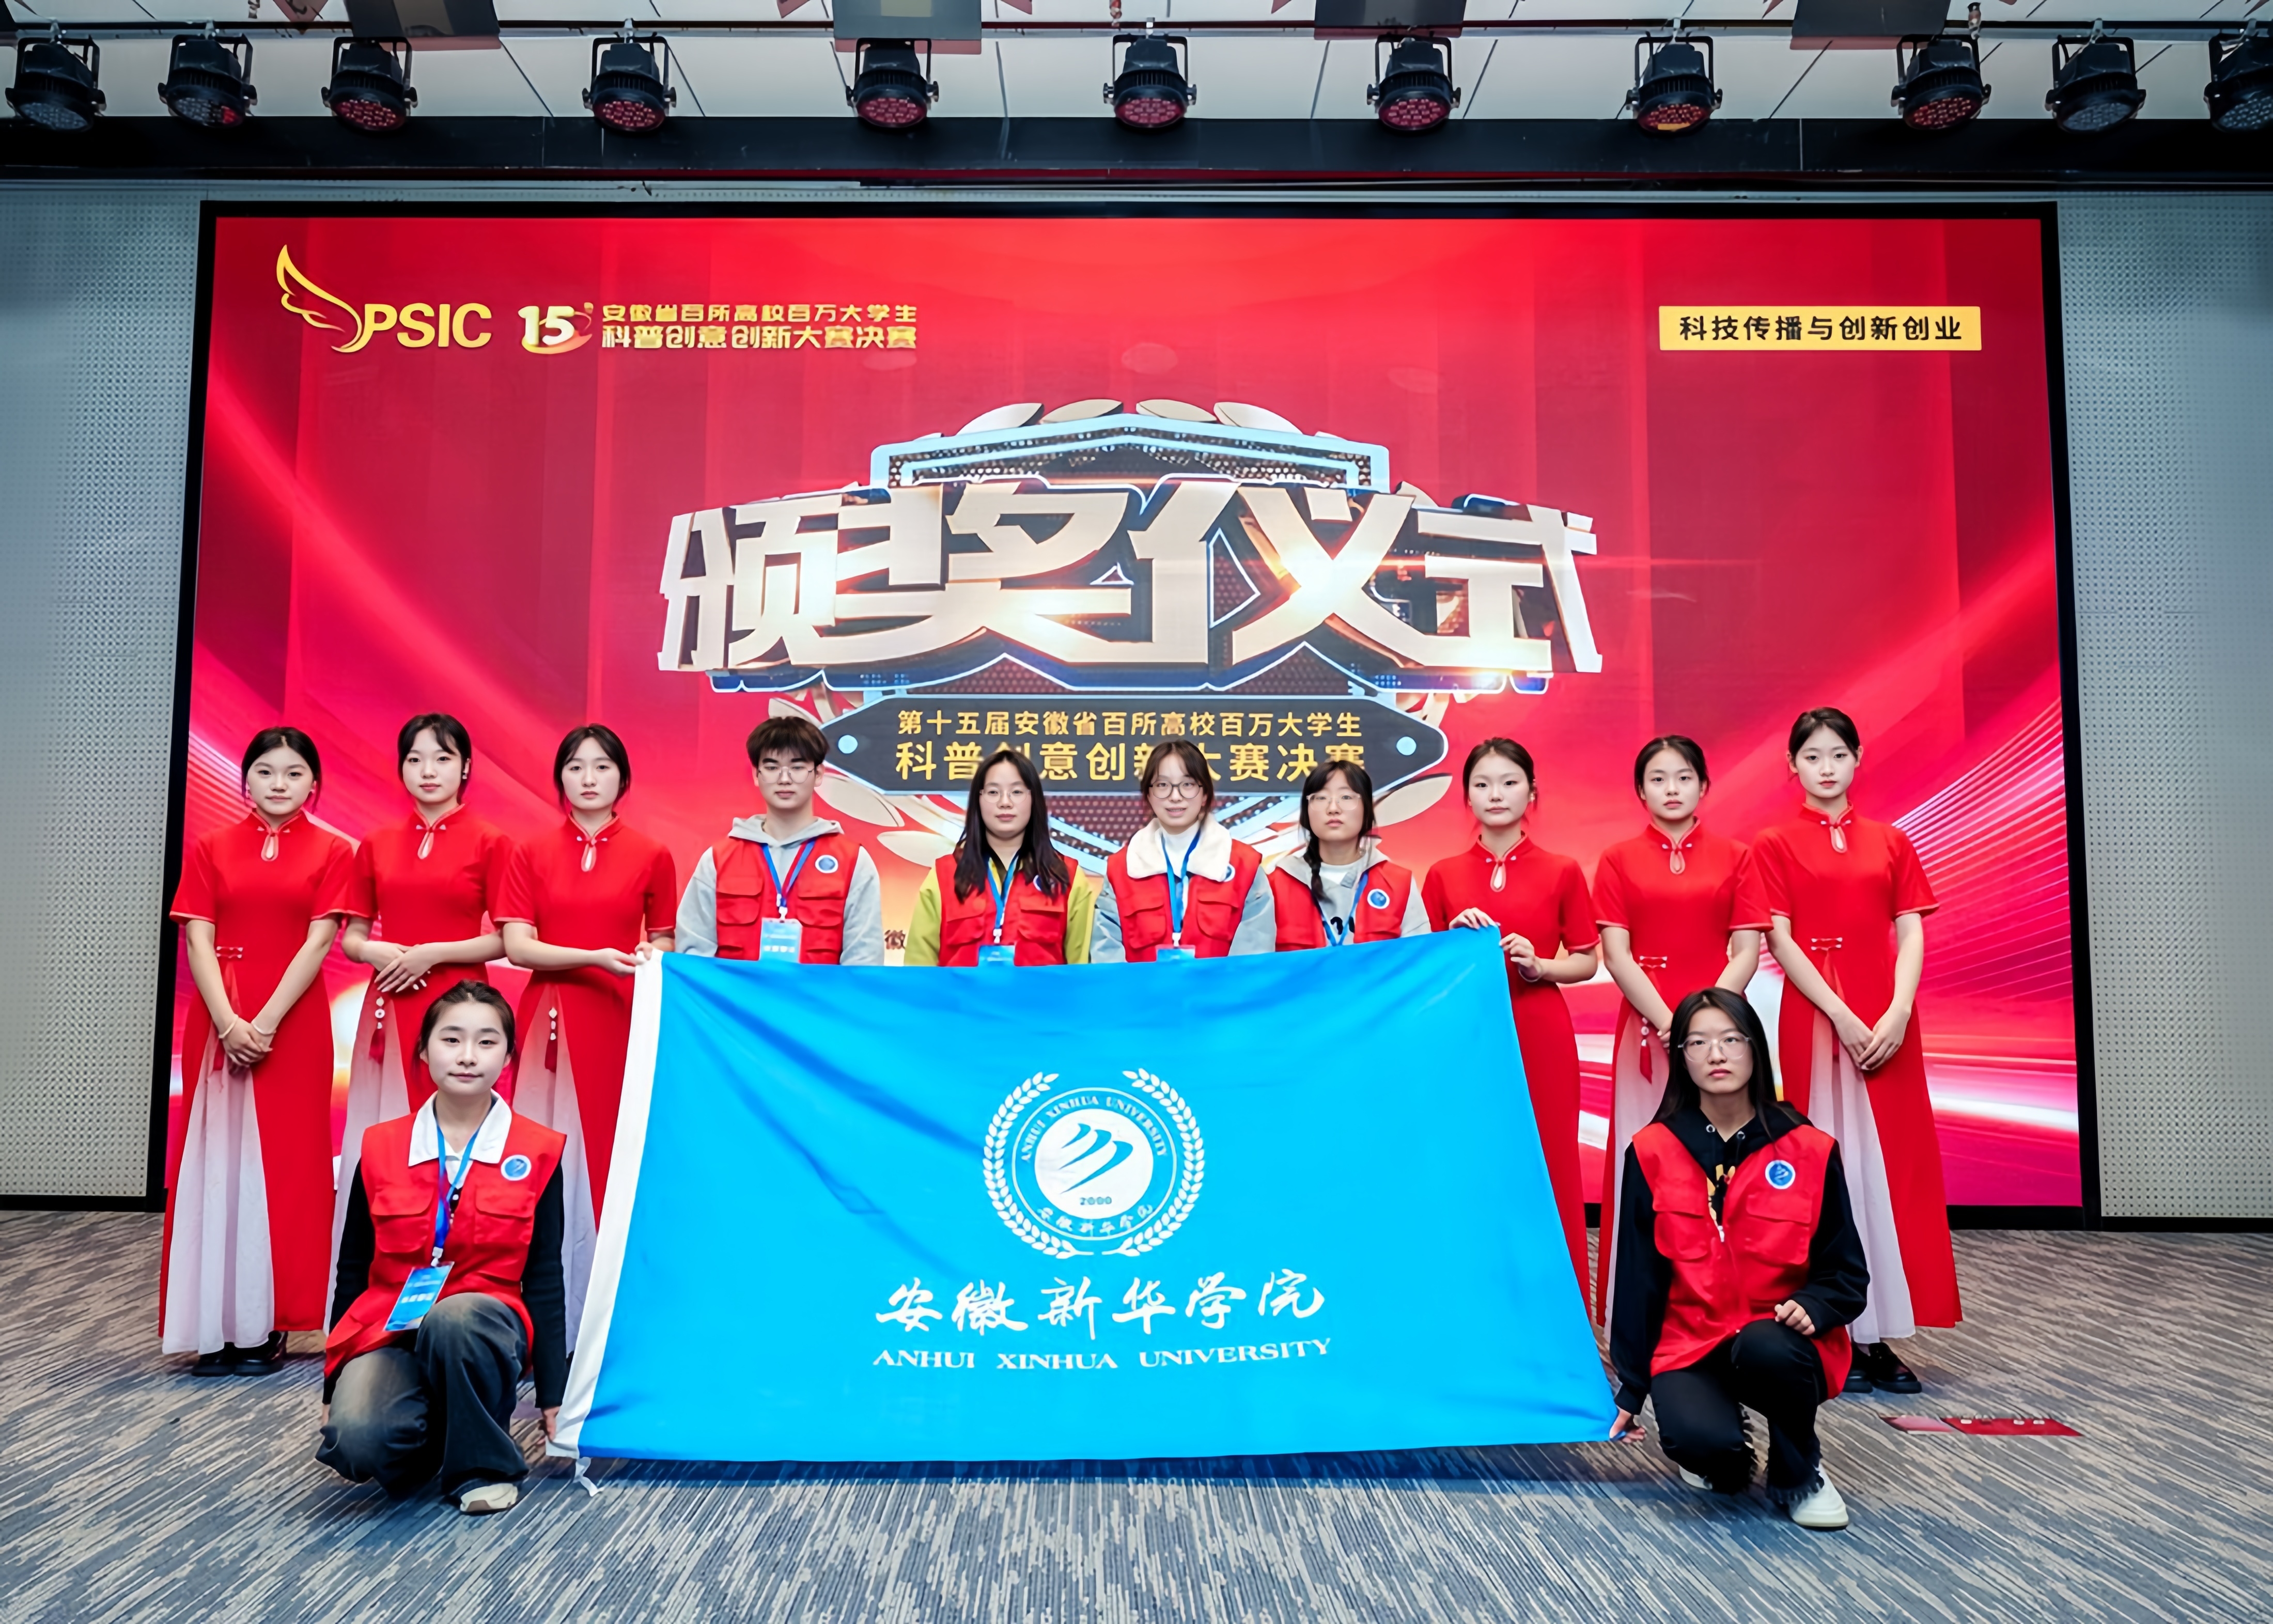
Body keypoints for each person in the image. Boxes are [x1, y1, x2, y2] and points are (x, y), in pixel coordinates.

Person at [1752, 706, 1958, 1395]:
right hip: (1816, 1015)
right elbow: (1779, 939)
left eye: (1837, 754)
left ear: (1857, 758)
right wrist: (1838, 1014)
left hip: (1887, 1014)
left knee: (1886, 1169)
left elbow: (1911, 930)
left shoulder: (1891, 841)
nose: (1826, 768)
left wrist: (1897, 1011)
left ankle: (1878, 1335)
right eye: (1812, 757)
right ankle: (1825, 1326)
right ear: (1792, 766)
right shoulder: (1774, 843)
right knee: (1822, 1169)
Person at [1607, 988, 1867, 1532]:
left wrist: (1815, 1305)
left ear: (1755, 1050)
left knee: (1766, 1347)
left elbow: (1844, 1270)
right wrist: (1630, 1387)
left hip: (1778, 1338)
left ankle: (1801, 1470)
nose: (1716, 1055)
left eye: (1731, 1040)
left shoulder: (1808, 1148)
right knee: (1707, 1452)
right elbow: (1637, 1280)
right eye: (1698, 1043)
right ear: (1681, 1057)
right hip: (1690, 1340)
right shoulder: (1652, 1151)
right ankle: (1716, 1441)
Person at [319, 982, 566, 1518]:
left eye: (486, 1042)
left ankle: (483, 1466)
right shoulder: (380, 1147)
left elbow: (546, 1277)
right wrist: (332, 1386)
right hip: (392, 1324)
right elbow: (353, 1269)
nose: (467, 1056)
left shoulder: (538, 1151)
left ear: (508, 1057)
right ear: (424, 1051)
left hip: (483, 1324)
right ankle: (436, 1436)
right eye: (451, 1040)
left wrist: (554, 1394)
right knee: (357, 1440)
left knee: (455, 1319)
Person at [163, 727, 356, 1376]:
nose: (279, 784)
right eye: (266, 771)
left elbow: (319, 942)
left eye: (294, 773)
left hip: (294, 1025)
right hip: (218, 1018)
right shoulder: (212, 845)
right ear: (245, 778)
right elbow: (197, 937)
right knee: (215, 1163)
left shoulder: (333, 850)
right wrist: (227, 1022)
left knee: (284, 1170)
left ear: (314, 784)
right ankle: (213, 1324)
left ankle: (268, 1323)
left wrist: (265, 1023)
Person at [496, 724, 676, 1337]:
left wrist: (647, 955)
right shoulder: (529, 851)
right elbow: (518, 947)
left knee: (608, 1159)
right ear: (560, 779)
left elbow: (663, 940)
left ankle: (603, 1319)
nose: (589, 778)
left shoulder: (652, 853)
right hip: (548, 1016)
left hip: (618, 1015)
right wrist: (595, 957)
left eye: (602, 767)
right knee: (537, 1162)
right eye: (575, 767)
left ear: (622, 778)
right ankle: (538, 1321)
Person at [1591, 735, 1769, 1324]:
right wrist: (1674, 1026)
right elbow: (1617, 955)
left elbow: (1746, 950)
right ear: (1640, 791)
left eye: (1684, 777)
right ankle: (1639, 1316)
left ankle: (1730, 1311)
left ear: (1704, 786)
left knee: (1724, 1169)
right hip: (1648, 1031)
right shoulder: (1617, 859)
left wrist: (1706, 1028)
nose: (1672, 789)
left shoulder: (1737, 856)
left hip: (1722, 1033)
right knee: (1646, 1166)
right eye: (1658, 778)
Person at [1421, 739, 1599, 1294]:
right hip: (1468, 1035)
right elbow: (1421, 967)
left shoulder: (1562, 870)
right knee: (1472, 1157)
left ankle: (1561, 1299)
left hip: (1539, 1026)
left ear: (1532, 792)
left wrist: (1540, 966)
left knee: (1550, 1161)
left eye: (1508, 782)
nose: (1495, 794)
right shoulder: (1442, 874)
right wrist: (1452, 945)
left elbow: (1587, 960)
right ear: (1466, 797)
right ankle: (1476, 1294)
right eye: (1482, 784)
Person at [334, 714, 511, 1266]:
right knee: (387, 1135)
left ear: (466, 768)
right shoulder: (377, 843)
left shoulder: (491, 841)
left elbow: (506, 939)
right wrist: (374, 952)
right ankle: (379, 1271)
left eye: (442, 758)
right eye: (415, 759)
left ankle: (461, 1264)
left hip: (461, 1006)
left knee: (456, 1134)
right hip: (390, 1001)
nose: (428, 771)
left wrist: (433, 953)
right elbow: (352, 937)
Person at [675, 715, 884, 965]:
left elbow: (863, 962)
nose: (785, 779)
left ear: (818, 774)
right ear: (756, 775)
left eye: (797, 767)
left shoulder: (852, 861)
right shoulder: (719, 860)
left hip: (818, 993)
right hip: (736, 993)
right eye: (772, 768)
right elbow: (694, 959)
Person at [904, 748, 1094, 966]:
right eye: (993, 792)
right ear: (978, 800)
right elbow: (918, 975)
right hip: (961, 992)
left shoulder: (1068, 877)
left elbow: (1083, 975)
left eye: (1017, 792)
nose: (1005, 802)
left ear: (1034, 800)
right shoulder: (943, 876)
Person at [1093, 740, 1275, 961]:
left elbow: (1253, 962)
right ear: (1148, 795)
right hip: (1141, 986)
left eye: (1187, 784)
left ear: (1205, 794)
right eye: (1162, 785)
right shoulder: (1122, 869)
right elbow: (1107, 957)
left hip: (1224, 986)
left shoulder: (1244, 866)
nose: (1175, 796)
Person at [1268, 758, 1430, 949]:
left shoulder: (1399, 883)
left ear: (1367, 810)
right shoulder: (1274, 885)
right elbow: (1256, 961)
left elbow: (1419, 959)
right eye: (1321, 798)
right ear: (1306, 813)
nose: (1333, 809)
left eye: (1346, 797)